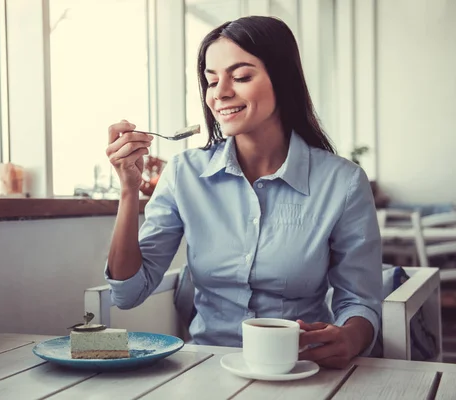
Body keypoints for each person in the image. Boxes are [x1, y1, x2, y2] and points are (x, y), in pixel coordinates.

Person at [104, 16, 382, 369]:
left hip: (299, 367)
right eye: (211, 80)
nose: (220, 93)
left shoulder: (343, 182)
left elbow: (360, 301)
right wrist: (128, 191)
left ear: (282, 79)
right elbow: (128, 293)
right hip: (205, 367)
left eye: (241, 76)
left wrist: (349, 337)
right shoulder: (184, 174)